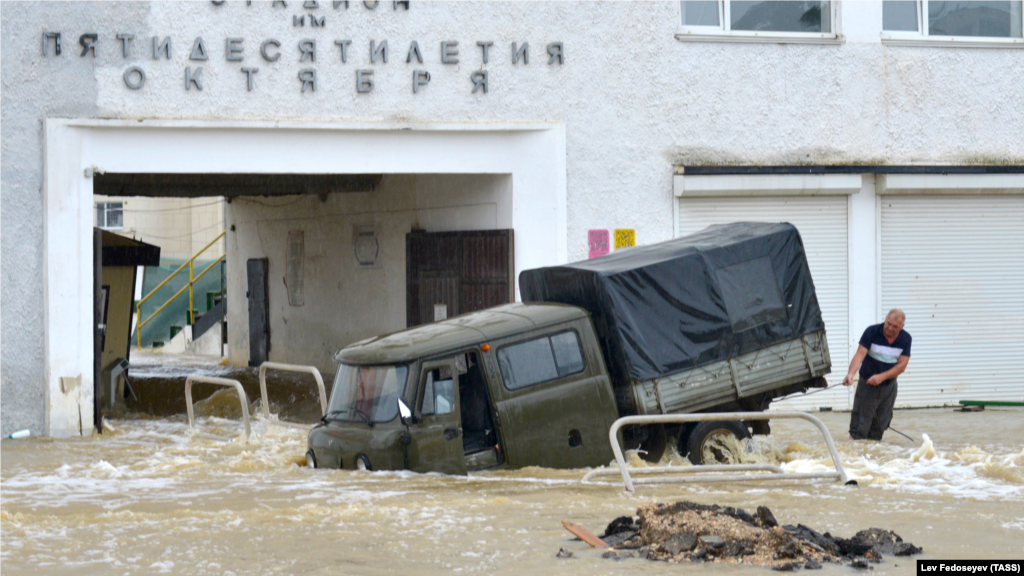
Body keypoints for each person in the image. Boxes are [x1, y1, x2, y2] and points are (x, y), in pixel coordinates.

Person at [842, 309, 911, 441]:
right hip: (867, 385)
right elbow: (860, 354)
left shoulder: (906, 339)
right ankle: (852, 457)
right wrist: (850, 374)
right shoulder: (872, 332)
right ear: (885, 319)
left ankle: (873, 458)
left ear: (902, 327)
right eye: (888, 323)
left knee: (879, 427)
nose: (890, 328)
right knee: (859, 427)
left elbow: (902, 366)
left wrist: (882, 377)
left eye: (895, 326)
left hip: (888, 387)